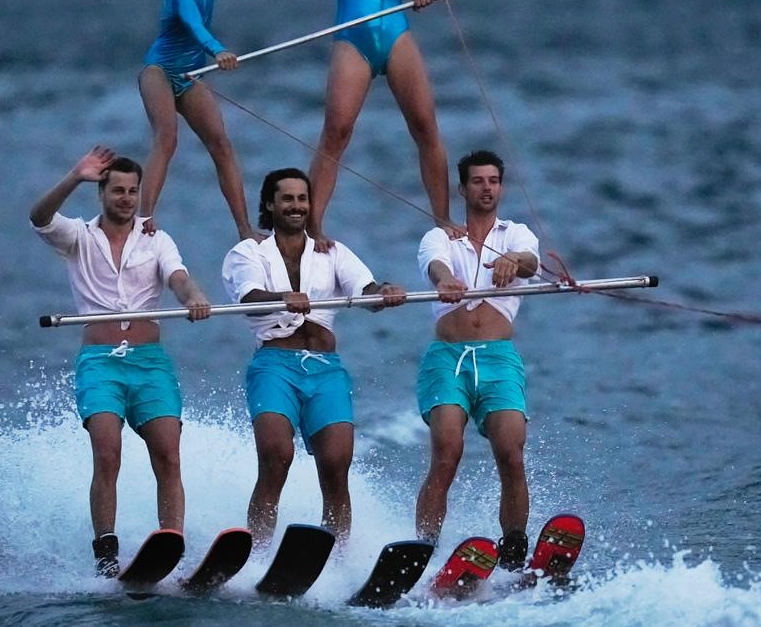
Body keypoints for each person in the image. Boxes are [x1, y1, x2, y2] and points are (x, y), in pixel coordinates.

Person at [238, 0, 458, 246]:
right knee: (336, 131)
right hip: (352, 42)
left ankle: (442, 219)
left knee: (426, 126)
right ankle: (313, 227)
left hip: (394, 37)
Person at [30, 146, 212, 577]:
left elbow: (178, 278)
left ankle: (172, 543)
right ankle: (106, 553)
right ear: (102, 194)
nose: (126, 198)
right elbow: (38, 217)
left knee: (168, 453)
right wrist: (75, 175)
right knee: (107, 453)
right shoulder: (78, 237)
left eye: (133, 191)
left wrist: (195, 297)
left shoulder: (156, 238)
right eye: (118, 191)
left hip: (150, 363)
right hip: (100, 363)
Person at [222, 167, 406, 549]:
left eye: (302, 199)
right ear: (270, 204)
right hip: (274, 367)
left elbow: (365, 289)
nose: (296, 206)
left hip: (325, 370)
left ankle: (338, 557)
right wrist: (280, 297)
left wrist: (383, 292)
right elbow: (249, 298)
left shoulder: (331, 251)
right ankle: (256, 552)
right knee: (276, 456)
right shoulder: (249, 252)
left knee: (337, 466)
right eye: (287, 199)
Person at [412, 149, 541, 568]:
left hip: (499, 359)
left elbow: (530, 262)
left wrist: (513, 260)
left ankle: (515, 548)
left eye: (493, 181)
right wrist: (446, 279)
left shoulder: (516, 234)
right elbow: (435, 266)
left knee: (512, 452)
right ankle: (424, 549)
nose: (487, 188)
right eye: (478, 181)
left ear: (501, 187)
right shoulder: (441, 236)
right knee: (447, 450)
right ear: (463, 188)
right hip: (448, 358)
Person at [138, 0, 258, 241]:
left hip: (190, 74)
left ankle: (245, 230)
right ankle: (143, 222)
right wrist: (218, 50)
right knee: (166, 139)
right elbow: (193, 25)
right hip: (160, 70)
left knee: (222, 145)